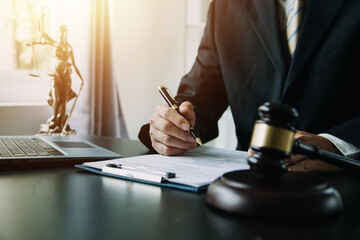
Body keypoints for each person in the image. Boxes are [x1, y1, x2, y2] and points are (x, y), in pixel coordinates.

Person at [138, 0, 360, 173]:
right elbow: (200, 95)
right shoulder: (226, 6)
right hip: (248, 184)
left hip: (345, 188)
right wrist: (174, 125)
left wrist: (337, 146)